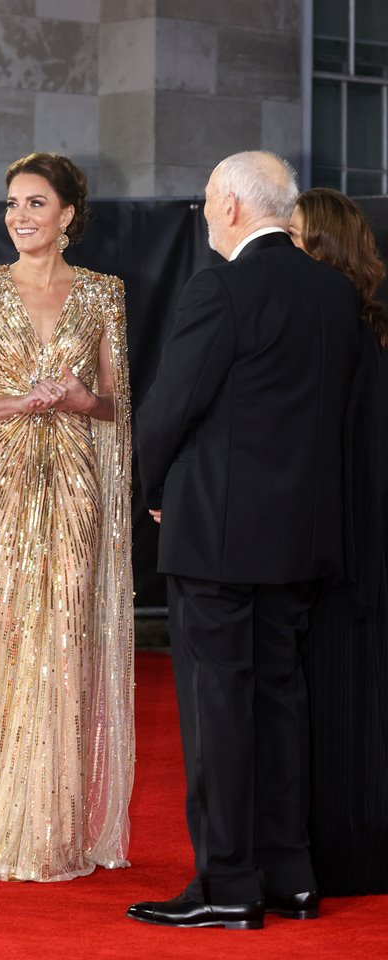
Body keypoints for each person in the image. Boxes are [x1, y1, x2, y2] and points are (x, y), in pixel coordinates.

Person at [129, 152, 363, 930]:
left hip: (219, 541)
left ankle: (228, 884)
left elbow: (167, 410)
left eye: (204, 201)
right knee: (279, 703)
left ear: (230, 206)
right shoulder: (334, 293)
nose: (202, 214)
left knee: (219, 711)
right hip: (299, 539)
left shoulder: (221, 287)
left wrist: (154, 491)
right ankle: (290, 878)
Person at [0, 152, 135, 882]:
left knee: (67, 637)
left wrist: (81, 403)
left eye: (37, 203)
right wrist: (20, 404)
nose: (20, 216)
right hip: (2, 486)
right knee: (8, 634)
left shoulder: (105, 295)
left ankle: (56, 828)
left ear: (69, 214)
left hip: (76, 483)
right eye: (12, 202)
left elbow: (118, 405)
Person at [289, 188, 388, 895]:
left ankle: (340, 854)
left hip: (340, 546)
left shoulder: (338, 332)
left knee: (335, 696)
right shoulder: (370, 326)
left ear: (321, 245)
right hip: (359, 541)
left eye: (291, 235)